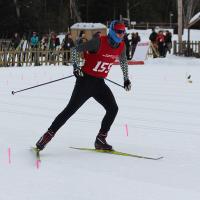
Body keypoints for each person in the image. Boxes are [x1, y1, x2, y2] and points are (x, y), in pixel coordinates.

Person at [35, 20, 131, 152]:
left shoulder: (122, 46)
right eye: (119, 32)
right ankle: (47, 136)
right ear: (113, 31)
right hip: (85, 82)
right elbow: (75, 50)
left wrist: (126, 79)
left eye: (123, 32)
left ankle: (100, 140)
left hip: (99, 84)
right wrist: (75, 67)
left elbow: (124, 61)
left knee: (113, 109)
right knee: (70, 110)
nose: (121, 35)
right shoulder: (98, 42)